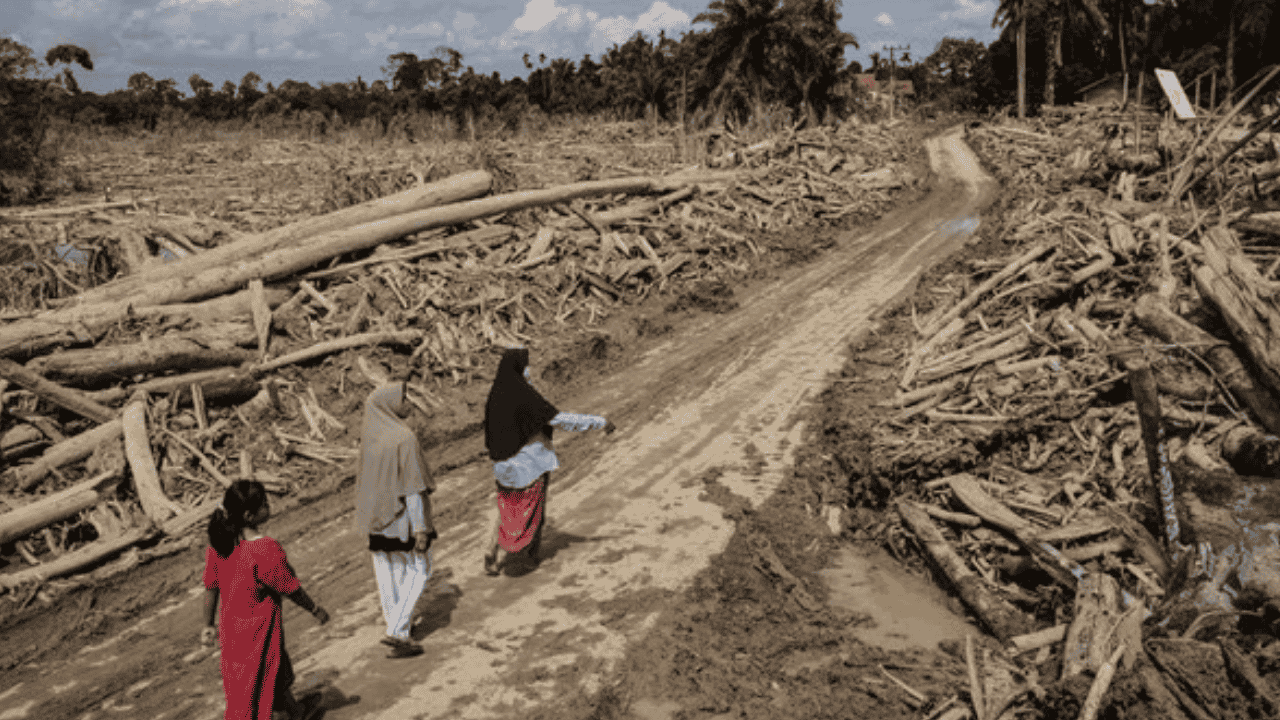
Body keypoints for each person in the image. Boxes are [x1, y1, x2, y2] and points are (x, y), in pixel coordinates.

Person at [482, 347, 615, 576]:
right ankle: (526, 558)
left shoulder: (496, 394)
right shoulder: (522, 394)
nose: (528, 370)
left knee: (506, 506)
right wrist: (599, 422)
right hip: (529, 464)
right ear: (520, 368)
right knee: (534, 509)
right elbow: (558, 419)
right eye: (526, 366)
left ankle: (490, 551)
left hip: (502, 466)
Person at [202, 480, 329, 720]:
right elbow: (290, 588)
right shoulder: (265, 550)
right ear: (250, 515)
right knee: (266, 678)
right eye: (265, 504)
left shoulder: (220, 545)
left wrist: (207, 626)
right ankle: (287, 714)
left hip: (232, 633)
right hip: (261, 633)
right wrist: (315, 609)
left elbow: (211, 588)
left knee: (246, 685)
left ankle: (295, 711)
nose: (269, 507)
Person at [353, 381, 437, 659]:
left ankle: (398, 627)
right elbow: (413, 487)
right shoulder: (404, 437)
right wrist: (422, 527)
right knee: (419, 570)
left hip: (377, 520)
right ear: (389, 404)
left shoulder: (369, 438)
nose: (408, 402)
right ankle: (398, 631)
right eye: (403, 398)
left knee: (388, 575)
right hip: (403, 521)